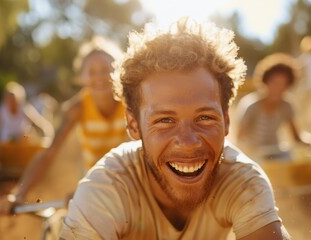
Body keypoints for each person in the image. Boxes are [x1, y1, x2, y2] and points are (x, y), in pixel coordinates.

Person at [60, 18, 291, 239]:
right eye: (164, 121)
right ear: (133, 125)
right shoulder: (107, 187)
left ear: (227, 120)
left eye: (205, 117)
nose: (188, 141)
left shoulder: (242, 181)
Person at [0, 36, 129, 213]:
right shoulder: (77, 108)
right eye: (92, 72)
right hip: (94, 188)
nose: (99, 77)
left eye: (106, 69)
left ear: (119, 71)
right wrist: (19, 194)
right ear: (81, 78)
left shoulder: (131, 103)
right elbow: (49, 153)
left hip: (129, 184)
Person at [236, 53, 308, 162]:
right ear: (266, 81)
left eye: (283, 84)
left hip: (276, 153)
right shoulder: (251, 105)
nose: (278, 88)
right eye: (275, 83)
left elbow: (296, 137)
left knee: (291, 157)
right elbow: (240, 138)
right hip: (254, 156)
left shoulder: (287, 105)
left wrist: (309, 143)